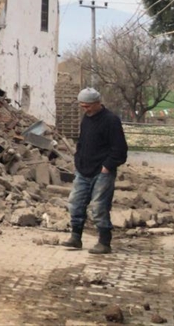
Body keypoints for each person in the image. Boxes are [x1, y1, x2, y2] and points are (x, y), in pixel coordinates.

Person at [60, 88, 128, 254]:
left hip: (102, 171)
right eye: (82, 106)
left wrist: (107, 166)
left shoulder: (111, 121)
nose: (85, 109)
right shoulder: (86, 119)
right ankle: (76, 237)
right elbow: (82, 142)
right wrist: (78, 160)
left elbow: (120, 149)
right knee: (75, 203)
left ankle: (104, 242)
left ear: (98, 103)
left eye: (88, 106)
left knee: (99, 206)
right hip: (83, 170)